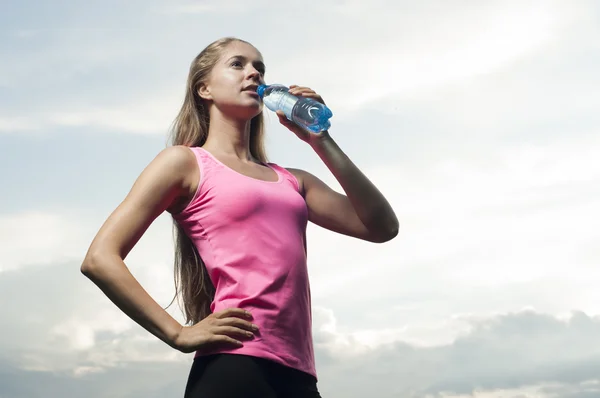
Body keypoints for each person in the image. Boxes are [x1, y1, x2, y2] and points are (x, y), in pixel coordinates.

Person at [80, 37, 399, 398]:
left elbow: (382, 227)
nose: (253, 73)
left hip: (299, 375)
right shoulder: (184, 163)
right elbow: (99, 258)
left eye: (259, 68)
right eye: (238, 64)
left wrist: (320, 139)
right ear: (204, 88)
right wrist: (178, 333)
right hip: (234, 367)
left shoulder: (294, 180)